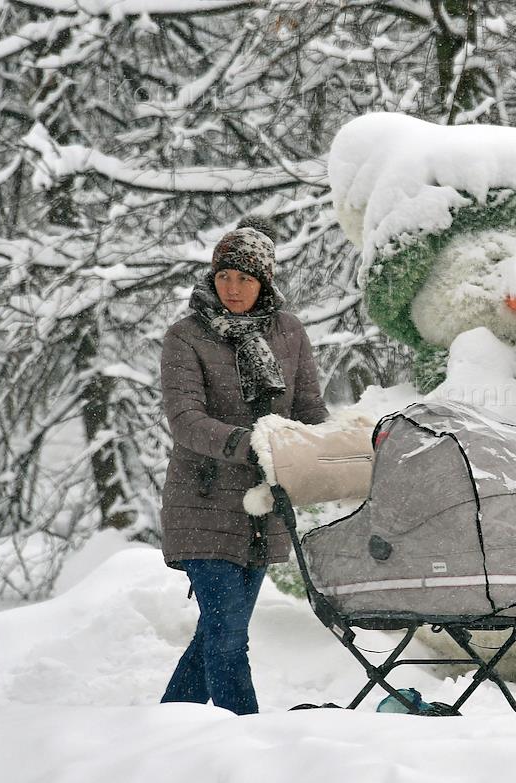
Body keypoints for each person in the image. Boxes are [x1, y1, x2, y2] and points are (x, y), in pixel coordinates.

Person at [159, 226, 328, 714]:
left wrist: (331, 445)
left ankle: (163, 731)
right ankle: (250, 738)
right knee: (229, 639)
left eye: (244, 279)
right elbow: (186, 421)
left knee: (214, 638)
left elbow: (307, 407)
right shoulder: (186, 337)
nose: (231, 288)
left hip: (261, 508)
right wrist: (252, 445)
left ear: (265, 282)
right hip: (204, 504)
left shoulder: (288, 332)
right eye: (223, 276)